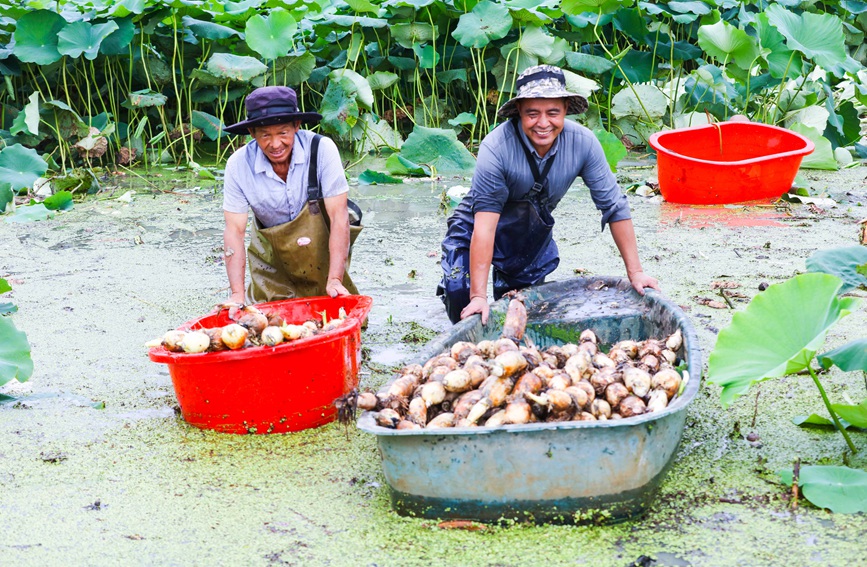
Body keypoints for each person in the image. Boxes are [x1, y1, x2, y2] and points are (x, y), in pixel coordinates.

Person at [438, 65, 659, 324]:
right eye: (532, 113)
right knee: (459, 294)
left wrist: (636, 272)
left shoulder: (583, 143)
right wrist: (477, 296)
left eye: (553, 113)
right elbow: (485, 227)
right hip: (476, 224)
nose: (543, 123)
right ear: (519, 112)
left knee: (521, 305)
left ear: (565, 110)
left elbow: (615, 207)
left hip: (527, 231)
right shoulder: (496, 148)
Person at [222, 86, 361, 305]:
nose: (275, 144)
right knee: (267, 326)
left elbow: (339, 216)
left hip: (323, 254)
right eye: (265, 135)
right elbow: (234, 231)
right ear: (252, 133)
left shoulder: (322, 149)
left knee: (334, 315)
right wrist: (237, 294)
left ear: (297, 126)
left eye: (282, 133)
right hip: (271, 261)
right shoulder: (238, 165)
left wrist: (335, 279)